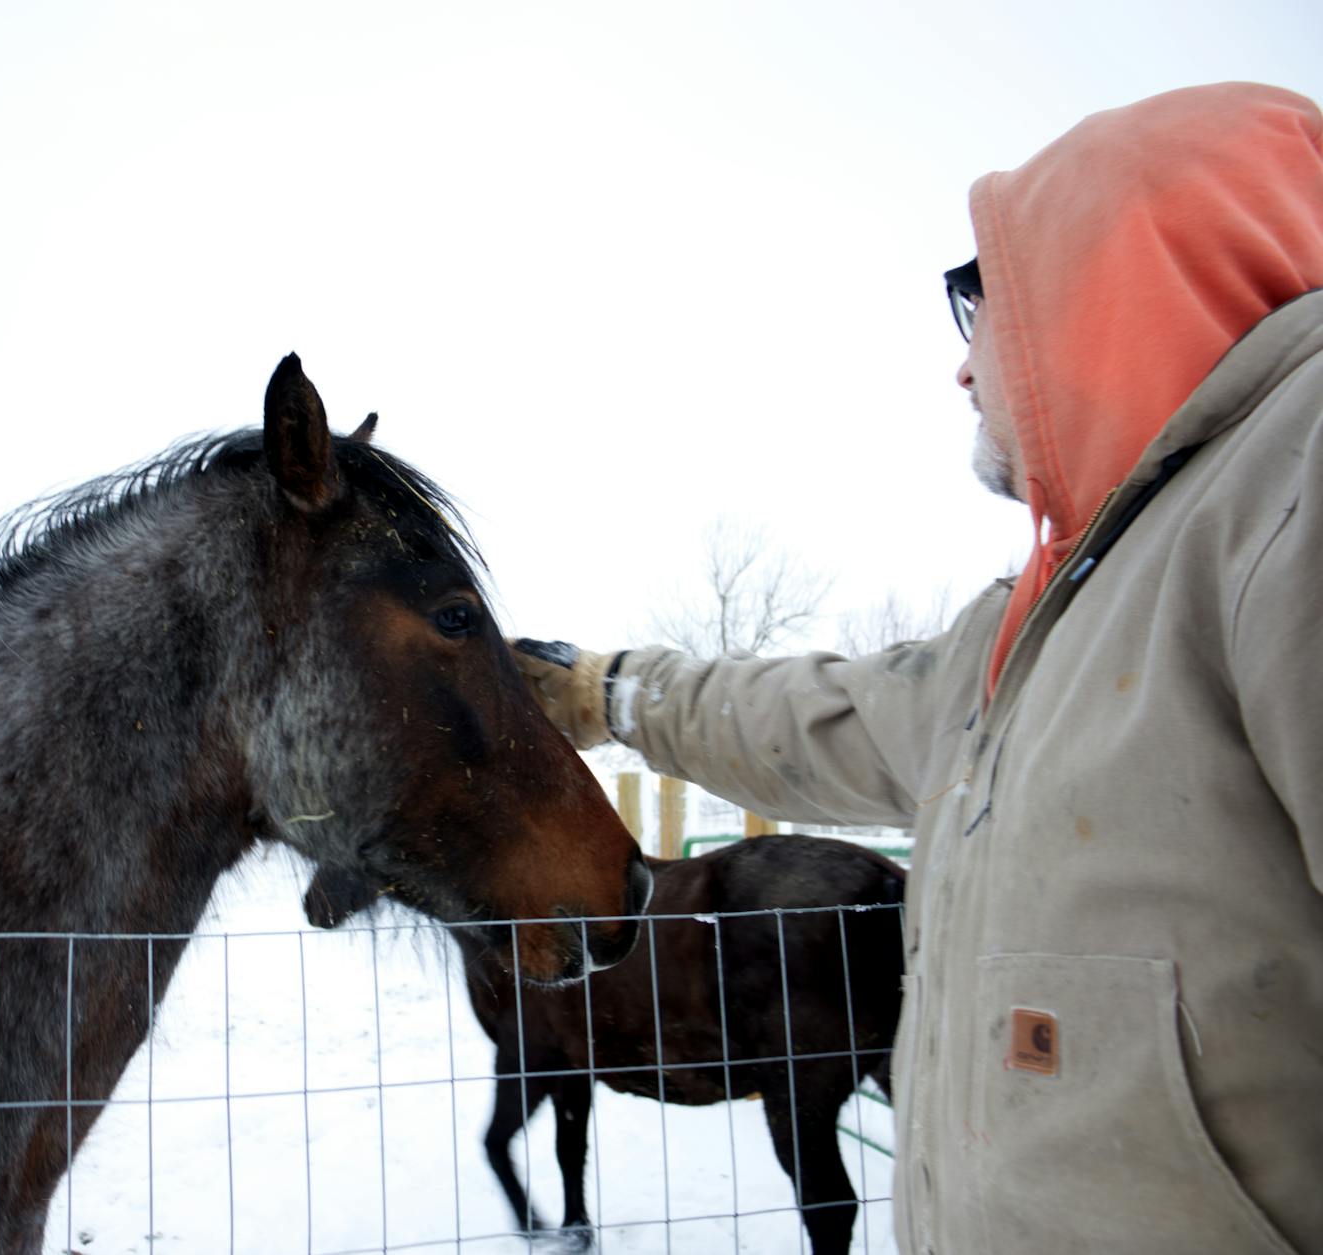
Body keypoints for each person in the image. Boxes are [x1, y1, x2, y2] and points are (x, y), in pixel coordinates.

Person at [514, 82, 1323, 1253]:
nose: (959, 373)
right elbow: (819, 713)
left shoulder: (1287, 492)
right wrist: (612, 690)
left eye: (978, 310)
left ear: (1102, 284)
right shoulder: (1036, 618)